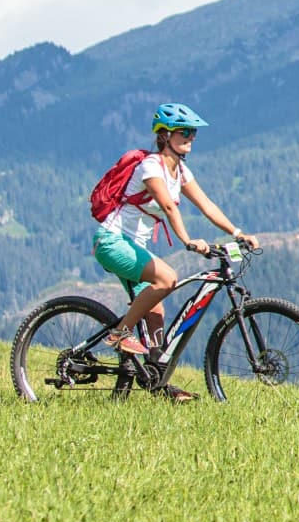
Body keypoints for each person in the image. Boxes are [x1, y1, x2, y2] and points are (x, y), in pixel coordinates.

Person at [94, 103, 257, 401]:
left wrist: (237, 233)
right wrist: (187, 240)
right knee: (167, 280)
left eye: (193, 132)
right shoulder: (151, 166)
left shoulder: (180, 170)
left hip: (132, 246)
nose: (191, 137)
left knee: (155, 311)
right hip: (111, 241)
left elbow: (206, 205)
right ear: (165, 135)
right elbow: (168, 206)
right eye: (184, 132)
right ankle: (119, 334)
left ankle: (157, 381)